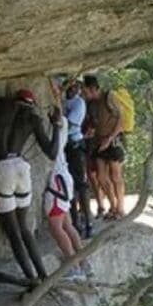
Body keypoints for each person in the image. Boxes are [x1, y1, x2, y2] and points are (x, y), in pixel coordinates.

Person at [0, 89, 59, 284]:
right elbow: (52, 153)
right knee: (24, 228)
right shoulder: (33, 118)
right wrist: (57, 125)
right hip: (21, 168)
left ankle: (31, 279)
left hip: (0, 168)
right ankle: (44, 276)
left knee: (13, 233)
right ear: (32, 104)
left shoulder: (0, 105)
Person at [43, 85, 91, 282]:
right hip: (64, 177)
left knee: (55, 226)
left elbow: (58, 111)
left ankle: (72, 266)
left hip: (57, 181)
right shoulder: (62, 122)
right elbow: (60, 110)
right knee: (67, 224)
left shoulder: (58, 126)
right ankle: (83, 262)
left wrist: (56, 94)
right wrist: (56, 94)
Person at [81, 74, 126, 219]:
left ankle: (120, 208)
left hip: (114, 141)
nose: (84, 94)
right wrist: (90, 132)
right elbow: (95, 122)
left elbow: (121, 119)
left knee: (115, 176)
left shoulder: (109, 97)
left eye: (86, 91)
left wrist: (110, 137)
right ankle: (112, 207)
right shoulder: (92, 104)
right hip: (99, 142)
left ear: (93, 88)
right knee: (101, 177)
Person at [57, 76, 93, 238]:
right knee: (69, 185)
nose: (73, 90)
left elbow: (69, 124)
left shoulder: (79, 103)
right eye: (70, 87)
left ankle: (88, 222)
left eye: (75, 87)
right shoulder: (65, 101)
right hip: (67, 145)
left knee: (80, 184)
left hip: (75, 144)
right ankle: (75, 222)